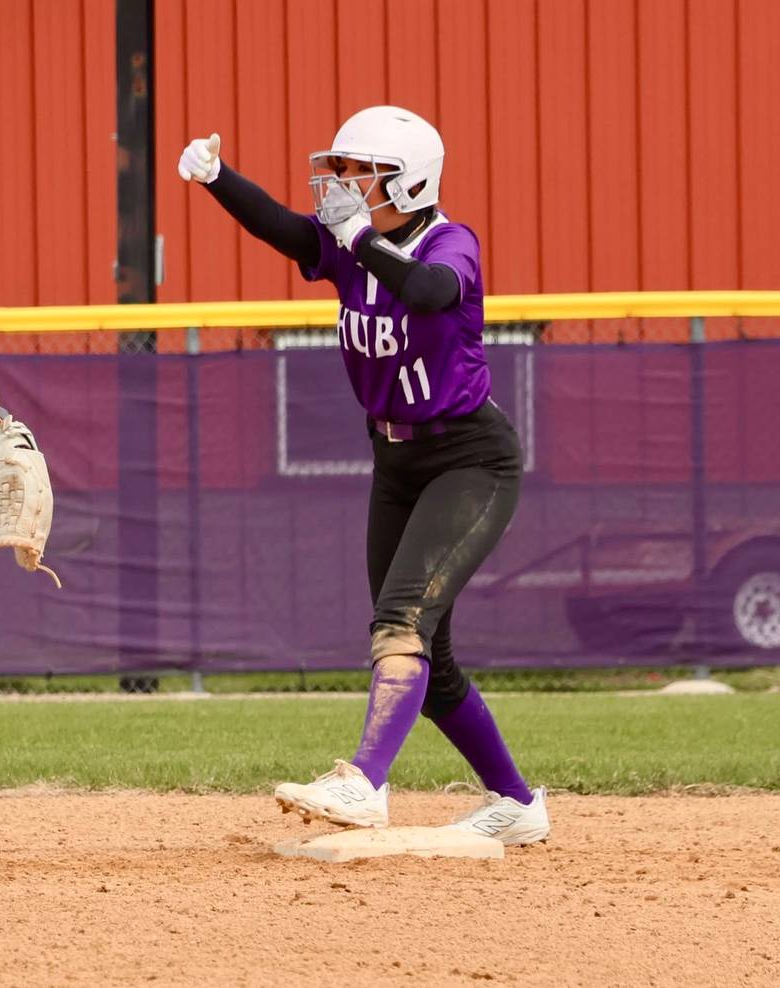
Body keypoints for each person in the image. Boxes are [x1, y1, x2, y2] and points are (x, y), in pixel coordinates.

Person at [178, 105, 549, 846]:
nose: (340, 185)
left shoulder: (450, 241)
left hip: (469, 458)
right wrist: (218, 178)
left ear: (406, 183)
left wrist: (358, 237)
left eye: (357, 172)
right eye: (339, 170)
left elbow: (430, 293)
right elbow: (284, 228)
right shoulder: (355, 245)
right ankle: (517, 804)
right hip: (397, 460)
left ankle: (365, 785)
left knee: (401, 621)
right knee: (427, 655)